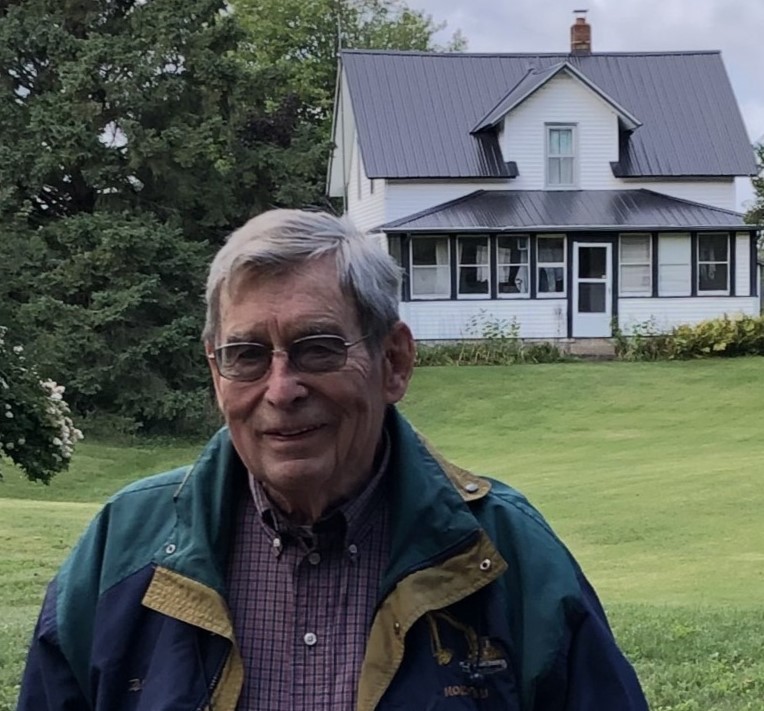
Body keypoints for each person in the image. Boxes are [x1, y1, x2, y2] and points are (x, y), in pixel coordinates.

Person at [17, 209, 648, 710]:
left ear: (394, 362)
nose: (281, 389)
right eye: (247, 355)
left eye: (317, 348)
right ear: (215, 372)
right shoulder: (120, 552)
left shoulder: (508, 557)